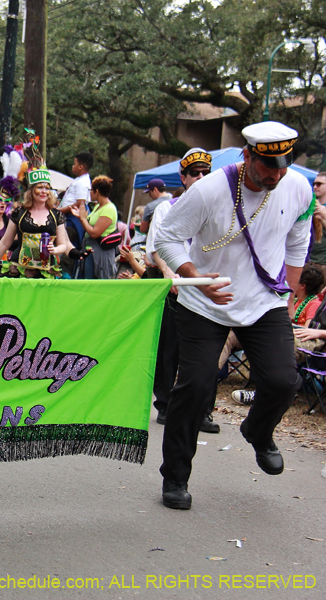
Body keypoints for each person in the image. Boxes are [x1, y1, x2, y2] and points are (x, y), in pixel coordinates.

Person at [154, 121, 313, 510]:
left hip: (265, 300)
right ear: (247, 157)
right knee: (195, 385)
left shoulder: (297, 188)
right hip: (205, 302)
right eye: (267, 166)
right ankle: (175, 478)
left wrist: (291, 295)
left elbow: (297, 241)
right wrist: (193, 277)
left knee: (282, 380)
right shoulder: (209, 190)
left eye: (282, 167)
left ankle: (258, 431)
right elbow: (167, 239)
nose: (275, 175)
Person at [145, 148, 217, 431]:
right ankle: (164, 404)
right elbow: (157, 248)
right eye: (194, 174)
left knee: (208, 351)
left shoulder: (220, 204)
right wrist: (170, 275)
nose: (200, 178)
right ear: (183, 177)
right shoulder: (167, 207)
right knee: (169, 347)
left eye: (205, 174)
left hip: (205, 286)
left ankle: (203, 410)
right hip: (176, 284)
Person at [0, 169, 72, 278]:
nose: (44, 191)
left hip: (46, 271)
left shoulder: (56, 215)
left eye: (47, 188)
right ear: (31, 190)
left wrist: (54, 250)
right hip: (19, 269)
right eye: (40, 187)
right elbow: (5, 242)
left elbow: (63, 245)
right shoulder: (19, 213)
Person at [71, 175, 118, 279]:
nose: (89, 193)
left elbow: (94, 233)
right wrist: (81, 216)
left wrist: (83, 218)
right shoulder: (98, 206)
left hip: (99, 255)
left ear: (97, 191)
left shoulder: (109, 209)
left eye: (91, 190)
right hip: (89, 251)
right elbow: (88, 225)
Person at [58, 151, 93, 250]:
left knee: (70, 245)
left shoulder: (82, 182)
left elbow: (80, 203)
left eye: (75, 164)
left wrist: (60, 210)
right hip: (69, 215)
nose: (73, 166)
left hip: (74, 218)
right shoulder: (79, 180)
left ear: (81, 167)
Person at [306, 172, 326, 273]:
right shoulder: (309, 204)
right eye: (314, 184)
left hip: (322, 264)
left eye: (319, 184)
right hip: (306, 260)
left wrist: (323, 217)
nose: (315, 187)